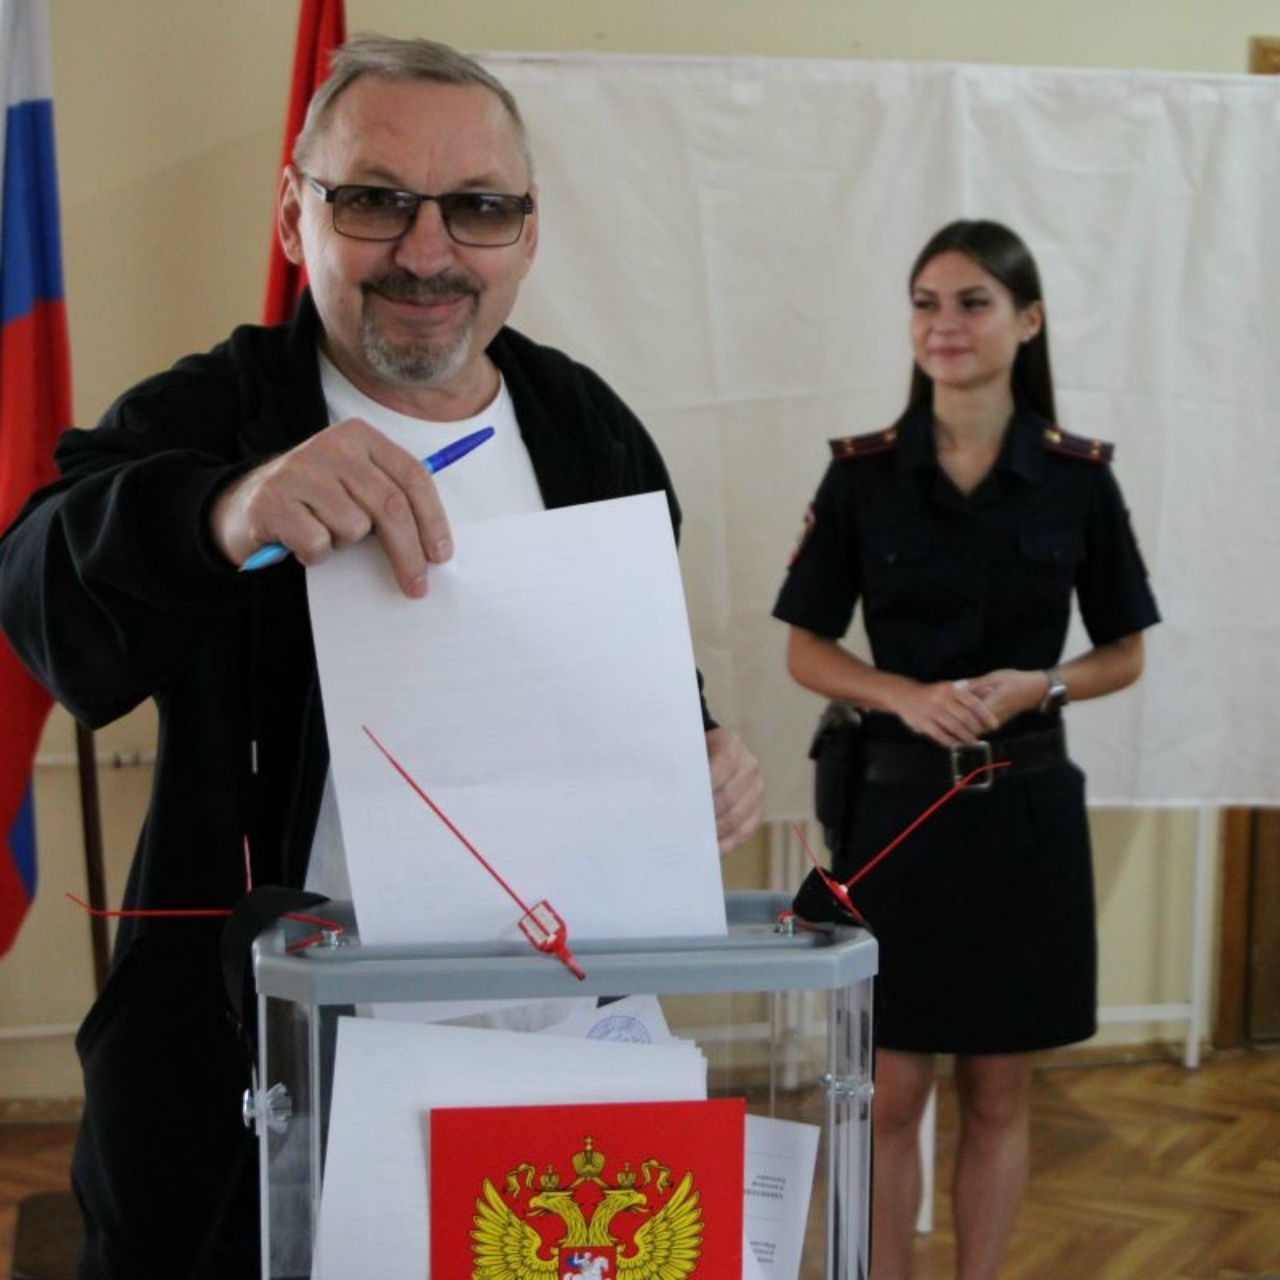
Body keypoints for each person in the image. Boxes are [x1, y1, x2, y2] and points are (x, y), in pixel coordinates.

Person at [0, 35, 762, 1278]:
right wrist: (223, 511)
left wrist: (702, 754)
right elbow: (36, 590)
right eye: (373, 199)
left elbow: (644, 688)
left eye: (476, 208)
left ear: (525, 232)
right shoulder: (217, 414)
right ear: (293, 216)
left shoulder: (588, 429)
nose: (427, 250)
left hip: (552, 1055)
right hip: (260, 1066)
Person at [773, 219, 1159, 1280]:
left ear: (1026, 322)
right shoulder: (861, 476)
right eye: (925, 302)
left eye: (972, 302)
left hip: (1024, 814)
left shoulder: (1077, 479)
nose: (943, 324)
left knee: (996, 1089)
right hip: (896, 813)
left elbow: (1124, 651)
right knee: (891, 1089)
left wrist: (1046, 682)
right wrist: (899, 693)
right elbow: (806, 649)